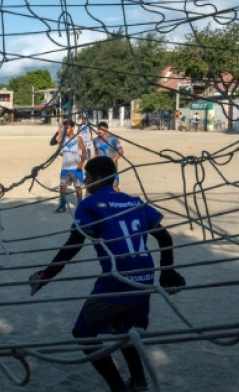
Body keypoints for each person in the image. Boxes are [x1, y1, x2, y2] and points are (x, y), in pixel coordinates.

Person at [28, 156, 186, 392]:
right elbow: (164, 237)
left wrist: (46, 275)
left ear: (99, 179)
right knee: (125, 331)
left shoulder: (90, 204)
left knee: (82, 333)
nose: (85, 182)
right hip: (145, 276)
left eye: (88, 177)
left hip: (118, 279)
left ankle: (118, 387)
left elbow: (73, 245)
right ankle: (139, 382)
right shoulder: (134, 201)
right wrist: (167, 271)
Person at [50, 119, 87, 213]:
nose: (65, 130)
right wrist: (57, 132)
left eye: (67, 128)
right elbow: (52, 143)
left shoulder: (78, 138)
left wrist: (81, 164)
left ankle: (80, 206)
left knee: (78, 188)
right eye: (64, 128)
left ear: (72, 128)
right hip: (65, 168)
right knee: (63, 188)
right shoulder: (62, 138)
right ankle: (62, 206)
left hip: (76, 168)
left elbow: (84, 151)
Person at [93, 121, 125, 189]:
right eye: (98, 129)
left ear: (106, 129)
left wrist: (113, 160)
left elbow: (121, 151)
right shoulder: (95, 140)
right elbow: (96, 152)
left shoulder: (114, 139)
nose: (99, 131)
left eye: (101, 129)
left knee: (114, 187)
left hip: (111, 169)